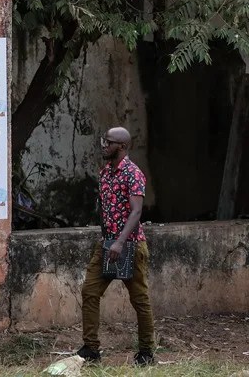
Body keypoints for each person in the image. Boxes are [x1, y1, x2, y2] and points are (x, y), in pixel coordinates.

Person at [78, 127, 156, 366]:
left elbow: (136, 211)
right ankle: (91, 349)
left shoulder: (133, 173)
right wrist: (106, 240)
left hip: (130, 245)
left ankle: (146, 352)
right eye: (103, 141)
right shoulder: (105, 173)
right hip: (107, 245)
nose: (103, 145)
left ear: (121, 146)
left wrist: (120, 242)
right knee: (90, 291)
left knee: (139, 299)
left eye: (108, 142)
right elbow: (104, 209)